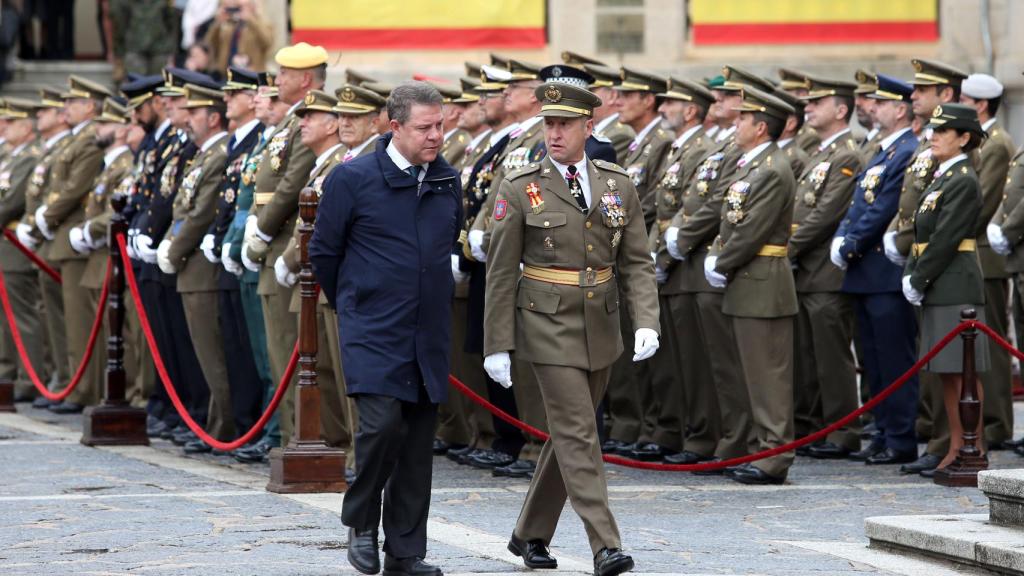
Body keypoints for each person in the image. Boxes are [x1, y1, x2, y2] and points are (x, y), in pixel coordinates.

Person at [484, 80, 658, 576]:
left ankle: (529, 533)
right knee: (581, 433)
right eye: (549, 124)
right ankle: (606, 544)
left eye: (564, 124)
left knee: (568, 434)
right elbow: (501, 272)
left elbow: (636, 261)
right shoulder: (521, 185)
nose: (554, 134)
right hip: (546, 323)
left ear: (589, 126)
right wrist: (497, 343)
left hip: (601, 324)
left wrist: (647, 320)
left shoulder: (616, 183)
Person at [311, 81, 460, 576]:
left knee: (416, 443)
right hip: (373, 326)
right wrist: (357, 300)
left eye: (440, 125)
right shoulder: (352, 178)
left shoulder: (446, 179)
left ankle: (404, 552)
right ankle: (361, 522)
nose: (435, 136)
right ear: (394, 127)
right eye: (424, 127)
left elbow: (447, 242)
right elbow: (324, 252)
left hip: (428, 329)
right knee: (379, 426)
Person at [704, 86, 798, 485]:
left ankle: (775, 455)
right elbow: (730, 221)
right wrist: (719, 253)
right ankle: (760, 448)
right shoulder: (752, 166)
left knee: (768, 377)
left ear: (760, 127)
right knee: (750, 375)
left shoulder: (773, 169)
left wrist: (721, 260)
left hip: (763, 282)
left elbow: (752, 230)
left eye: (743, 118)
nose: (736, 123)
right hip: (746, 281)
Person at [832, 74, 921, 466]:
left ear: (900, 110)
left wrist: (851, 242)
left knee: (894, 360)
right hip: (865, 273)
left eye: (880, 103)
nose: (872, 107)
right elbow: (858, 205)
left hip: (884, 272)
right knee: (874, 361)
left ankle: (900, 437)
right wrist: (843, 235)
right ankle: (884, 431)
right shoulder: (884, 151)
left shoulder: (906, 151)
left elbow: (885, 207)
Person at [243, 42, 325, 446]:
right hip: (272, 241)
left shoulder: (305, 121)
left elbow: (293, 184)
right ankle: (287, 434)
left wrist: (262, 228)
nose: (277, 80)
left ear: (305, 79)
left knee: (290, 352)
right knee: (276, 353)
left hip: (285, 241)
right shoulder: (290, 121)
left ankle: (297, 436)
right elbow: (265, 180)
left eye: (285, 74)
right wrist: (253, 222)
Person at [902, 103, 989, 474]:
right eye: (932, 129)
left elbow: (946, 237)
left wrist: (918, 277)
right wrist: (912, 272)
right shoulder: (944, 176)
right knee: (947, 373)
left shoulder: (963, 179)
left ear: (964, 138)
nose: (932, 136)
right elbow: (922, 234)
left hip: (955, 283)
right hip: (939, 281)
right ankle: (956, 445)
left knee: (962, 372)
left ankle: (972, 447)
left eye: (942, 131)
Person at [156, 82, 233, 452]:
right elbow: (182, 209)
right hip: (190, 264)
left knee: (212, 352)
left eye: (195, 113)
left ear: (213, 118)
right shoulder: (203, 155)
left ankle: (221, 426)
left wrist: (174, 249)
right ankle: (210, 422)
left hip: (202, 267)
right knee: (201, 351)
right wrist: (169, 241)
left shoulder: (218, 154)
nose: (188, 119)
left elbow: (201, 212)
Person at [790, 77, 863, 458]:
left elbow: (825, 215)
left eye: (818, 102)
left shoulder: (847, 155)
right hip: (806, 270)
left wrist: (786, 248)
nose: (809, 107)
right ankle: (813, 427)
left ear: (841, 109)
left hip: (825, 271)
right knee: (808, 357)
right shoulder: (822, 153)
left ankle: (842, 431)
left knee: (831, 358)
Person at [33, 76, 109, 413]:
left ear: (90, 106)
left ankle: (82, 388)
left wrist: (45, 219)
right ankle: (69, 382)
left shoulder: (89, 140)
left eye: (73, 103)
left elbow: (75, 188)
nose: (65, 108)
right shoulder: (75, 139)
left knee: (79, 321)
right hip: (61, 237)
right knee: (64, 319)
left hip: (74, 234)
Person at [962, 73, 1017, 449]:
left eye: (964, 101)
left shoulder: (995, 143)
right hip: (974, 253)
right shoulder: (983, 140)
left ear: (981, 105)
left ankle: (997, 424)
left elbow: (979, 203)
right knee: (975, 344)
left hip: (985, 255)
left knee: (992, 343)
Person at [0, 98, 46, 402]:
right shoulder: (10, 156)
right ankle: (7, 372)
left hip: (15, 247)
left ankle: (29, 378)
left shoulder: (29, 158)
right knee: (5, 317)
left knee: (22, 315)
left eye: (11, 122)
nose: (4, 126)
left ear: (27, 127)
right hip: (6, 246)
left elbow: (11, 202)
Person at [203, 0, 273, 74]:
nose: (241, 9)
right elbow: (210, 43)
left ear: (253, 7)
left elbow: (268, 42)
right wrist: (218, 22)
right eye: (239, 6)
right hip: (226, 71)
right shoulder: (231, 24)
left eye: (245, 6)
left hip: (250, 72)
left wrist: (251, 19)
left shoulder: (264, 24)